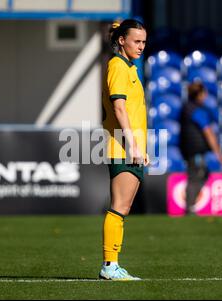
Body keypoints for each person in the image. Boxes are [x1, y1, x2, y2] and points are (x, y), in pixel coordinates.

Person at [99, 19, 148, 281]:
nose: (141, 46)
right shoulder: (118, 66)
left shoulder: (128, 67)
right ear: (122, 40)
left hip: (128, 146)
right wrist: (133, 145)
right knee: (119, 207)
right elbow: (119, 109)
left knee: (122, 208)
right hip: (122, 147)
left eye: (143, 42)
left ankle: (112, 264)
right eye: (136, 41)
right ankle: (109, 265)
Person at [179, 82, 222, 213]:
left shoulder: (186, 108)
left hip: (188, 148)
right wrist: (218, 153)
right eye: (204, 93)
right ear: (198, 95)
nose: (205, 96)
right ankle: (189, 207)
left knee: (198, 174)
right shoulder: (197, 111)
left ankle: (190, 206)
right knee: (196, 176)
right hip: (196, 150)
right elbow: (208, 132)